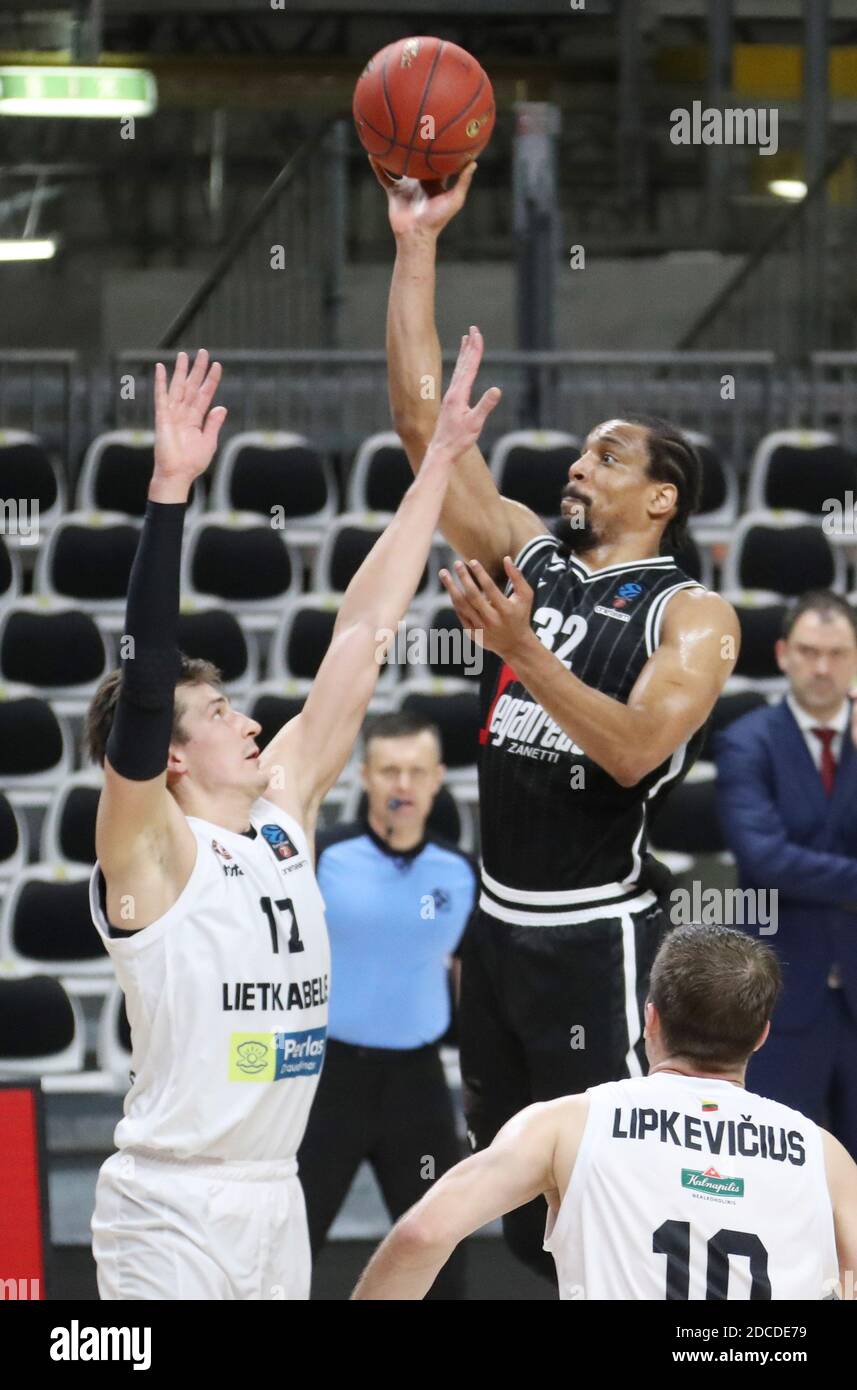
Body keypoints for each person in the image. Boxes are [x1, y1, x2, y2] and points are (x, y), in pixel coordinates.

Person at [373, 156, 741, 1277]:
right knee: (522, 1222)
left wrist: (522, 652)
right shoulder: (532, 550)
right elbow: (422, 433)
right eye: (582, 450)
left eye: (605, 456)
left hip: (597, 936)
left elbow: (634, 751)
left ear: (659, 497)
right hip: (495, 929)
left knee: (614, 1200)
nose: (578, 464)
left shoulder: (694, 614)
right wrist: (415, 246)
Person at [84, 336, 501, 1300]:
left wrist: (436, 467)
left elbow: (363, 632)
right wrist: (170, 493)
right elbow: (146, 688)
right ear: (173, 756)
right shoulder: (149, 847)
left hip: (274, 1197)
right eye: (225, 715)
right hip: (170, 1206)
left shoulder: (282, 808)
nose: (253, 720)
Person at [351, 923, 857, 1301]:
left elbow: (423, 1234)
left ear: (651, 1019)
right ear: (761, 1035)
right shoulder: (823, 1155)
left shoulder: (566, 1125)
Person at [298, 709, 477, 1299]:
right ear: (366, 776)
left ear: (437, 779)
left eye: (416, 772)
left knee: (438, 1247)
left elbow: (467, 970)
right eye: (390, 770)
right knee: (290, 1239)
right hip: (328, 1080)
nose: (403, 785)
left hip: (416, 1083)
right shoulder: (323, 858)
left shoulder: (459, 872)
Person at [715, 590, 857, 1161]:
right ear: (781, 653)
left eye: (837, 653)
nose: (822, 667)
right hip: (783, 995)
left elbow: (789, 862)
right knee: (777, 1170)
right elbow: (764, 859)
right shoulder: (745, 740)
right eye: (808, 651)